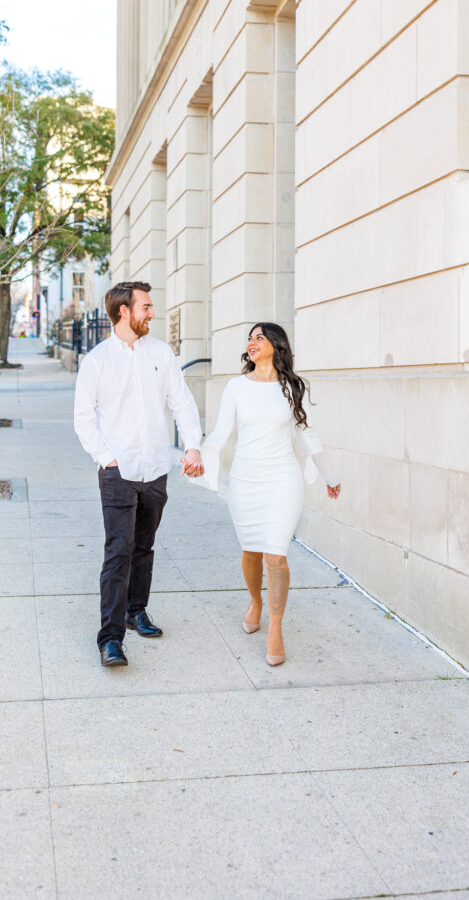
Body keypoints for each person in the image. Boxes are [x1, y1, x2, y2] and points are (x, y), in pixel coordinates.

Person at [74, 281, 204, 667]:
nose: (152, 313)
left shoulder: (161, 353)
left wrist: (193, 444)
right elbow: (83, 419)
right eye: (145, 307)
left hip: (155, 468)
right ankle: (110, 638)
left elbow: (181, 401)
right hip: (118, 470)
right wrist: (106, 458)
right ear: (123, 311)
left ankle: (136, 611)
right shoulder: (96, 361)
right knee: (118, 552)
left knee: (144, 547)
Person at [200, 322, 340, 667]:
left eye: (259, 337)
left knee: (275, 555)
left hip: (282, 479)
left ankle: (276, 628)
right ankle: (255, 601)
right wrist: (200, 460)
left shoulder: (291, 387)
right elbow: (221, 431)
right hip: (246, 478)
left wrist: (329, 475)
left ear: (276, 345)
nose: (252, 342)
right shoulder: (235, 387)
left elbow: (306, 433)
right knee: (250, 551)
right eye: (249, 338)